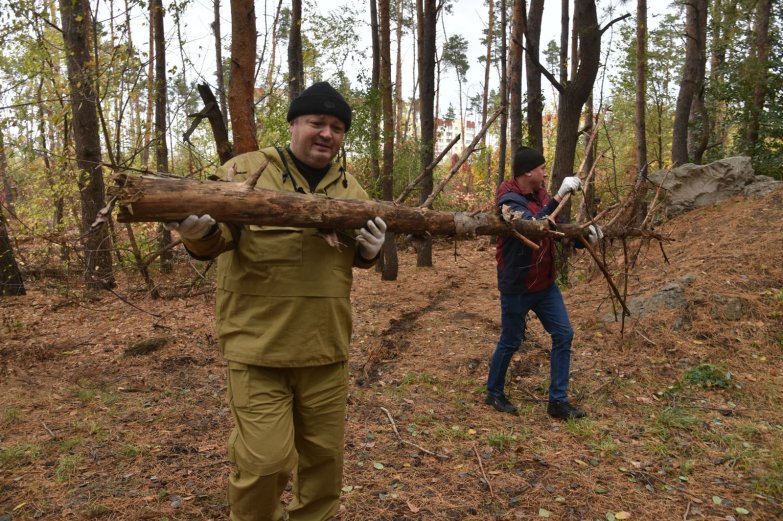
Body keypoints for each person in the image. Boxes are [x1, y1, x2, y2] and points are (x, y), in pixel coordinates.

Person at [165, 81, 387, 521]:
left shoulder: (352, 189)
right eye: (317, 123)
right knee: (263, 461)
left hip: (325, 346)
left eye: (337, 127)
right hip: (257, 346)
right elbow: (217, 239)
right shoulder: (244, 170)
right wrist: (199, 234)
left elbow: (356, 257)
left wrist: (371, 251)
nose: (327, 134)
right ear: (293, 124)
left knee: (324, 462)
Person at [484, 146, 601, 420]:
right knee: (511, 340)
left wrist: (581, 238)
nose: (545, 173)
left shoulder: (540, 195)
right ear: (528, 172)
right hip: (517, 286)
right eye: (541, 169)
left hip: (545, 285)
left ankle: (557, 402)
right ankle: (494, 392)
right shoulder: (508, 202)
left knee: (564, 334)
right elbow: (534, 227)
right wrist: (560, 195)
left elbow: (555, 226)